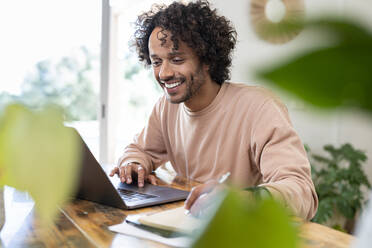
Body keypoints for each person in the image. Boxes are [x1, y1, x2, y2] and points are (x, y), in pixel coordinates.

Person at [110, 0, 318, 220]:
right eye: (156, 62)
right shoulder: (166, 108)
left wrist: (242, 199)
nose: (164, 73)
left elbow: (301, 192)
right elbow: (140, 150)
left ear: (208, 59)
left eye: (177, 59)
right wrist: (132, 164)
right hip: (188, 226)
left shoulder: (260, 107)